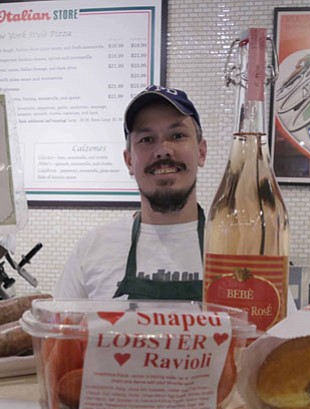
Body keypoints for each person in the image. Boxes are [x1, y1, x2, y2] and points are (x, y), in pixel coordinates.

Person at [53, 85, 207, 301]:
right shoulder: (93, 249)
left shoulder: (234, 248)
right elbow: (61, 330)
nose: (163, 149)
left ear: (201, 152)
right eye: (146, 139)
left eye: (178, 135)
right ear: (128, 161)